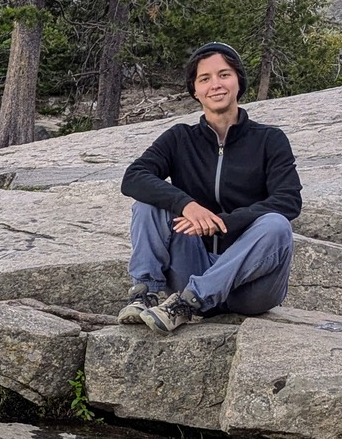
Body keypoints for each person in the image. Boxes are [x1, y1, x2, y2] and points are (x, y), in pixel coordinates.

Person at [117, 42, 302, 334]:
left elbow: (289, 200)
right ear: (195, 91)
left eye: (224, 75)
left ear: (239, 81)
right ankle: (144, 295)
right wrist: (186, 205)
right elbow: (134, 177)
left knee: (277, 225)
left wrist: (224, 223)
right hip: (191, 269)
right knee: (148, 203)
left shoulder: (270, 140)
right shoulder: (180, 138)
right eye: (205, 79)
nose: (215, 84)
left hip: (251, 289)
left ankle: (190, 304)